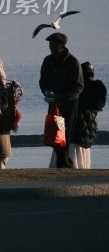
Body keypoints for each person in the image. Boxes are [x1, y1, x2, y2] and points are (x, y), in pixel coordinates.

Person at [39, 32, 83, 169]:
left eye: (53, 44)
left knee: (65, 136)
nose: (50, 46)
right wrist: (47, 93)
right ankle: (64, 165)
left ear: (62, 46)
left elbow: (78, 86)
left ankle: (64, 165)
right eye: (49, 44)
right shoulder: (48, 61)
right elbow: (43, 81)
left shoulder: (73, 62)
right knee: (54, 136)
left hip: (68, 105)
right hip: (53, 104)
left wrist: (61, 97)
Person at [67, 62, 106, 169]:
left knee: (74, 146)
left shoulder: (76, 87)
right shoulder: (97, 87)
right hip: (90, 125)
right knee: (83, 149)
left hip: (76, 125)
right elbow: (100, 105)